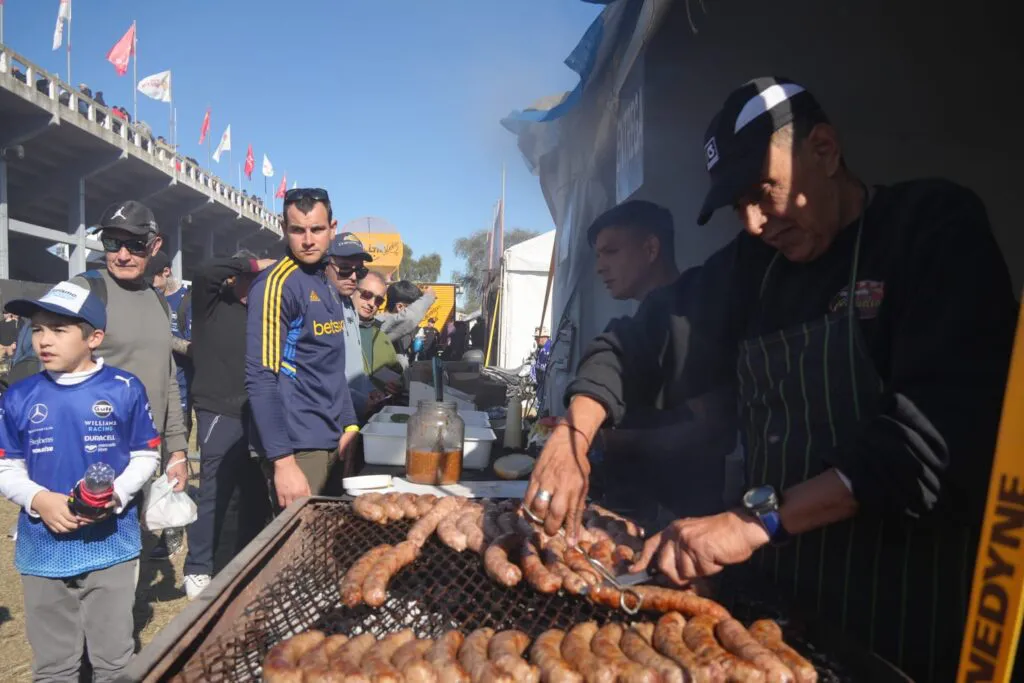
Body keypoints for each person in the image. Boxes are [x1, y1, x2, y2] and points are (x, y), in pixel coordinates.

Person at [524, 76, 1018, 681]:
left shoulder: (929, 228)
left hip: (902, 611)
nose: (754, 222)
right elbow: (635, 338)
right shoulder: (754, 268)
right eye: (738, 207)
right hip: (780, 604)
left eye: (764, 192)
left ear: (826, 150)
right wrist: (574, 435)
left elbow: (927, 442)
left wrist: (757, 522)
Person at [0, 281, 161, 682]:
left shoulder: (124, 388)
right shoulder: (18, 396)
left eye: (58, 329)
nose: (43, 340)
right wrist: (39, 500)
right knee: (53, 664)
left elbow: (146, 456)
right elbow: (6, 467)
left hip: (112, 543)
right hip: (42, 549)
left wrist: (118, 494)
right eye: (37, 329)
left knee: (113, 659)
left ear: (95, 338)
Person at [70, 201, 190, 559]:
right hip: (87, 452)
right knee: (81, 557)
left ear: (154, 247)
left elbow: (166, 376)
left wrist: (178, 450)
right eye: (112, 243)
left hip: (142, 456)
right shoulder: (84, 289)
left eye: (135, 244)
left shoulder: (158, 302)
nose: (122, 255)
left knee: (126, 558)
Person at [245, 188, 359, 509]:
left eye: (317, 229)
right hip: (296, 447)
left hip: (332, 438)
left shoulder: (326, 280)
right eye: (298, 230)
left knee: (329, 545)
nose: (308, 240)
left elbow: (332, 366)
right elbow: (260, 377)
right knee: (302, 553)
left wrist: (349, 424)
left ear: (332, 229)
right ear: (284, 229)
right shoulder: (276, 285)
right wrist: (282, 461)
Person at [181, 252, 276, 600]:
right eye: (252, 280)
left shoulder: (263, 314)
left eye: (261, 283)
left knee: (254, 494)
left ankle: (245, 560)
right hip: (218, 411)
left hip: (258, 414)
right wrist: (253, 264)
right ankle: (197, 568)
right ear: (236, 278)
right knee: (213, 492)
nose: (256, 287)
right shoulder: (211, 304)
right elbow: (205, 269)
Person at [324, 232, 375, 421]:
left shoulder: (347, 303)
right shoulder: (319, 305)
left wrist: (369, 391)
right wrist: (358, 400)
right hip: (332, 417)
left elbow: (353, 365)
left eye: (360, 271)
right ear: (326, 265)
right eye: (345, 269)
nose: (353, 277)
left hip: (354, 416)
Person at [590, 200, 680, 301]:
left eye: (611, 251)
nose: (599, 268)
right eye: (598, 256)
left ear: (651, 249)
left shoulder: (699, 299)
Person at [148, 251, 193, 435]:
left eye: (151, 276)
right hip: (148, 394)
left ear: (166, 271)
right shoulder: (147, 298)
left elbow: (195, 349)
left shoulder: (186, 302)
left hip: (179, 395)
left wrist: (164, 339)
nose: (147, 281)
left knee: (173, 458)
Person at [353, 272, 405, 404]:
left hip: (376, 415)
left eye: (378, 300)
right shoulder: (333, 330)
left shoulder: (382, 337)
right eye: (366, 295)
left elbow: (397, 376)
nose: (372, 303)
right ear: (352, 291)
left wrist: (396, 386)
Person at [379, 280, 437, 355]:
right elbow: (411, 318)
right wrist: (429, 297)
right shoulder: (380, 324)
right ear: (400, 307)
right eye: (412, 307)